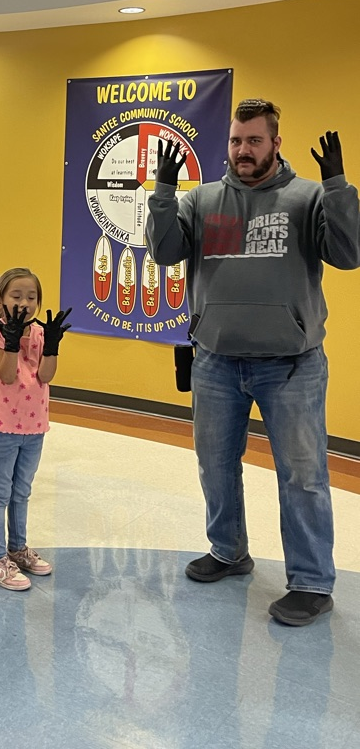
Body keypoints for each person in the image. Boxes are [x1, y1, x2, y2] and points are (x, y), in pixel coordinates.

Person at [145, 99, 360, 627]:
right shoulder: (202, 199)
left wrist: (337, 188)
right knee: (215, 465)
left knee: (303, 476)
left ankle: (311, 582)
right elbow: (164, 253)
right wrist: (164, 193)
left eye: (255, 141)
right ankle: (228, 551)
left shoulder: (307, 196)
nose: (243, 150)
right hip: (216, 362)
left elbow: (348, 254)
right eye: (237, 140)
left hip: (291, 366)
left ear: (275, 143)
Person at [0, 267, 71, 590]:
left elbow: (45, 376)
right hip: (2, 425)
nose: (25, 303)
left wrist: (52, 346)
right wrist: (11, 339)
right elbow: (6, 374)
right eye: (16, 296)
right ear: (0, 299)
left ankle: (17, 549)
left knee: (22, 491)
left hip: (35, 425)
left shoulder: (40, 333)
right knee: (0, 493)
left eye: (32, 297)